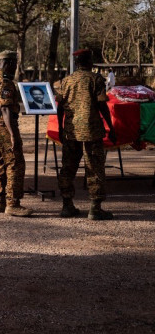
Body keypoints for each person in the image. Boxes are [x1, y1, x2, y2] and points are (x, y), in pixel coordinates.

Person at [56, 49, 117, 220]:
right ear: (89, 61)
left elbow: (60, 106)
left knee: (68, 168)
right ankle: (95, 208)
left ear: (76, 63)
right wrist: (111, 127)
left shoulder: (66, 81)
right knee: (95, 168)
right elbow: (102, 106)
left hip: (71, 132)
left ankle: (67, 206)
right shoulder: (96, 79)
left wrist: (61, 129)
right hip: (92, 132)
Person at [0, 50, 33, 217]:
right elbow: (5, 108)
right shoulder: (5, 81)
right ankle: (13, 203)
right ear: (11, 63)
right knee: (15, 161)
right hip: (2, 123)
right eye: (15, 64)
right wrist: (12, 134)